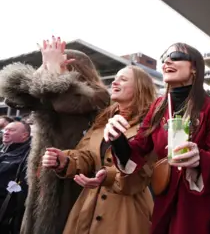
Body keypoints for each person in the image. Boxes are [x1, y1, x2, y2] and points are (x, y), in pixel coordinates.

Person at [104, 43, 210, 234]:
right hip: (163, 201)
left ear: (194, 67)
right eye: (164, 58)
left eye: (176, 56)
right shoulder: (158, 106)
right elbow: (137, 149)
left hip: (196, 206)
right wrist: (117, 139)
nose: (167, 61)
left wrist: (199, 158)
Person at [0, 36, 110, 234]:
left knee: (62, 224)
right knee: (35, 220)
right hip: (43, 168)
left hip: (74, 169)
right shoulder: (48, 93)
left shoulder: (98, 94)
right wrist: (44, 68)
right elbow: (12, 99)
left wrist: (54, 69)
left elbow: (64, 103)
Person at [41, 66, 157, 234]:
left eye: (123, 79)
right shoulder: (102, 121)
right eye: (115, 78)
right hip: (88, 207)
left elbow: (142, 174)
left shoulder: (151, 125)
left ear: (141, 88)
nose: (115, 82)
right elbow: (86, 154)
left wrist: (107, 175)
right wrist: (65, 160)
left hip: (127, 212)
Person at [0, 121, 31, 234]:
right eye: (6, 129)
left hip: (8, 214)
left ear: (24, 135)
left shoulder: (28, 156)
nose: (6, 132)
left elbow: (19, 185)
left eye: (11, 130)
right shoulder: (3, 149)